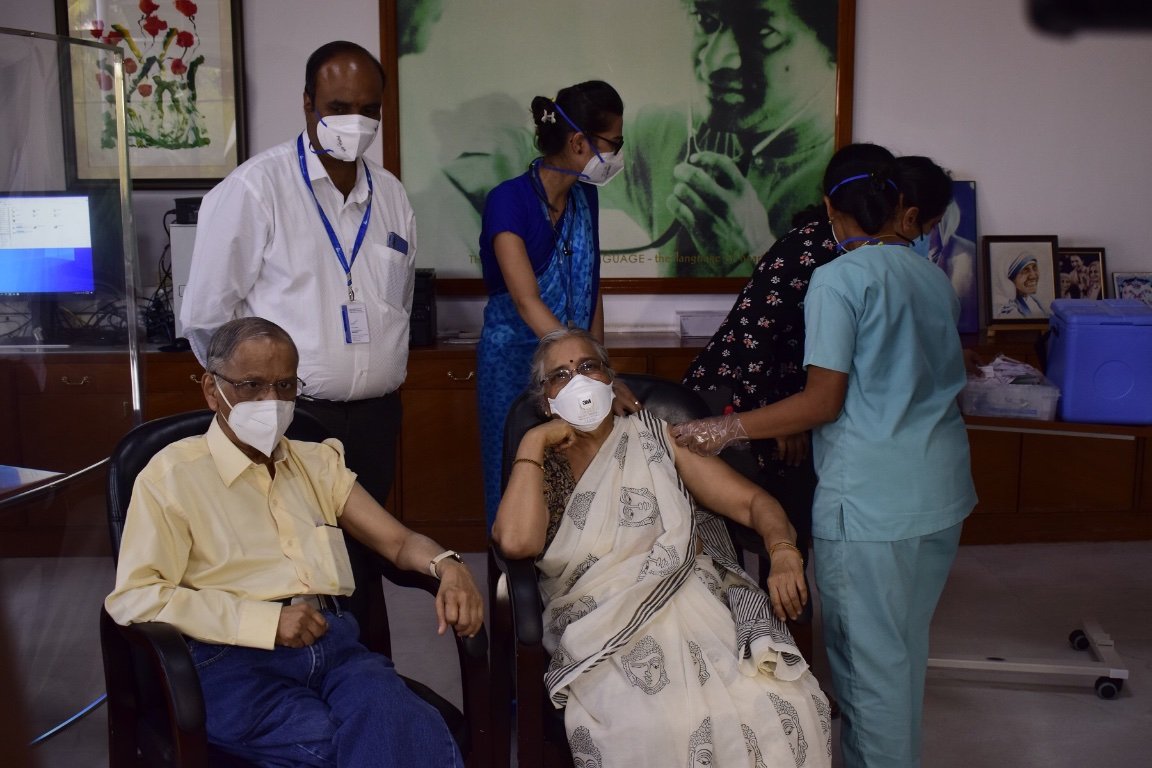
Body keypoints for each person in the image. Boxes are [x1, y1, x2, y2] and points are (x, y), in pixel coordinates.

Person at [672, 143, 977, 768]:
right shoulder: (932, 278)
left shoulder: (839, 279)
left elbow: (821, 403)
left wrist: (722, 431)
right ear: (899, 209)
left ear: (833, 209)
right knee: (901, 654)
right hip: (939, 494)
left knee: (869, 677)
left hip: (872, 506)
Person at [106, 317, 483, 767]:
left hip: (336, 647)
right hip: (232, 660)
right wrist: (264, 622)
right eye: (252, 385)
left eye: (285, 385)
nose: (272, 401)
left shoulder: (317, 462)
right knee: (393, 742)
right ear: (212, 389)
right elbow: (137, 596)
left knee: (396, 722)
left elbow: (398, 542)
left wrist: (448, 565)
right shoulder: (171, 475)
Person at [493, 327, 831, 767]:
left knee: (786, 701)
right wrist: (534, 439)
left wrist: (784, 549)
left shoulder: (654, 439)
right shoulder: (543, 461)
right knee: (646, 723)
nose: (578, 379)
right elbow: (517, 541)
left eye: (588, 365)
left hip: (693, 603)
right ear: (545, 400)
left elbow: (753, 503)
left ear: (610, 381)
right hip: (601, 620)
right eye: (560, 374)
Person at [180, 41, 414, 509]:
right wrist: (247, 403)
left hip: (375, 415)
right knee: (295, 555)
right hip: (288, 415)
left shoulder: (391, 195)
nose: (356, 123)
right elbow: (207, 319)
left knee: (366, 556)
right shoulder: (254, 190)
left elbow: (398, 302)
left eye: (369, 110)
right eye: (339, 108)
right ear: (307, 101)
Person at [476, 81, 637, 529]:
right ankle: (512, 588)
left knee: (581, 476)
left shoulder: (587, 196)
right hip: (514, 365)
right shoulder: (508, 200)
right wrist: (577, 369)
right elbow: (527, 301)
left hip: (577, 367)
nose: (620, 153)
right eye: (615, 143)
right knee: (514, 476)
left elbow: (591, 290)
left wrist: (603, 373)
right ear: (578, 142)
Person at [605, 0, 840, 277]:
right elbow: (547, 157)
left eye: (761, 32)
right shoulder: (661, 132)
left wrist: (752, 250)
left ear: (832, 47)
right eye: (705, 21)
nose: (713, 61)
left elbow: (826, 311)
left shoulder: (842, 178)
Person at [995, 251, 1047, 318]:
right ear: (1011, 280)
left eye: (1034, 268)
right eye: (1025, 270)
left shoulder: (1035, 301)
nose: (1033, 276)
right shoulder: (1009, 311)